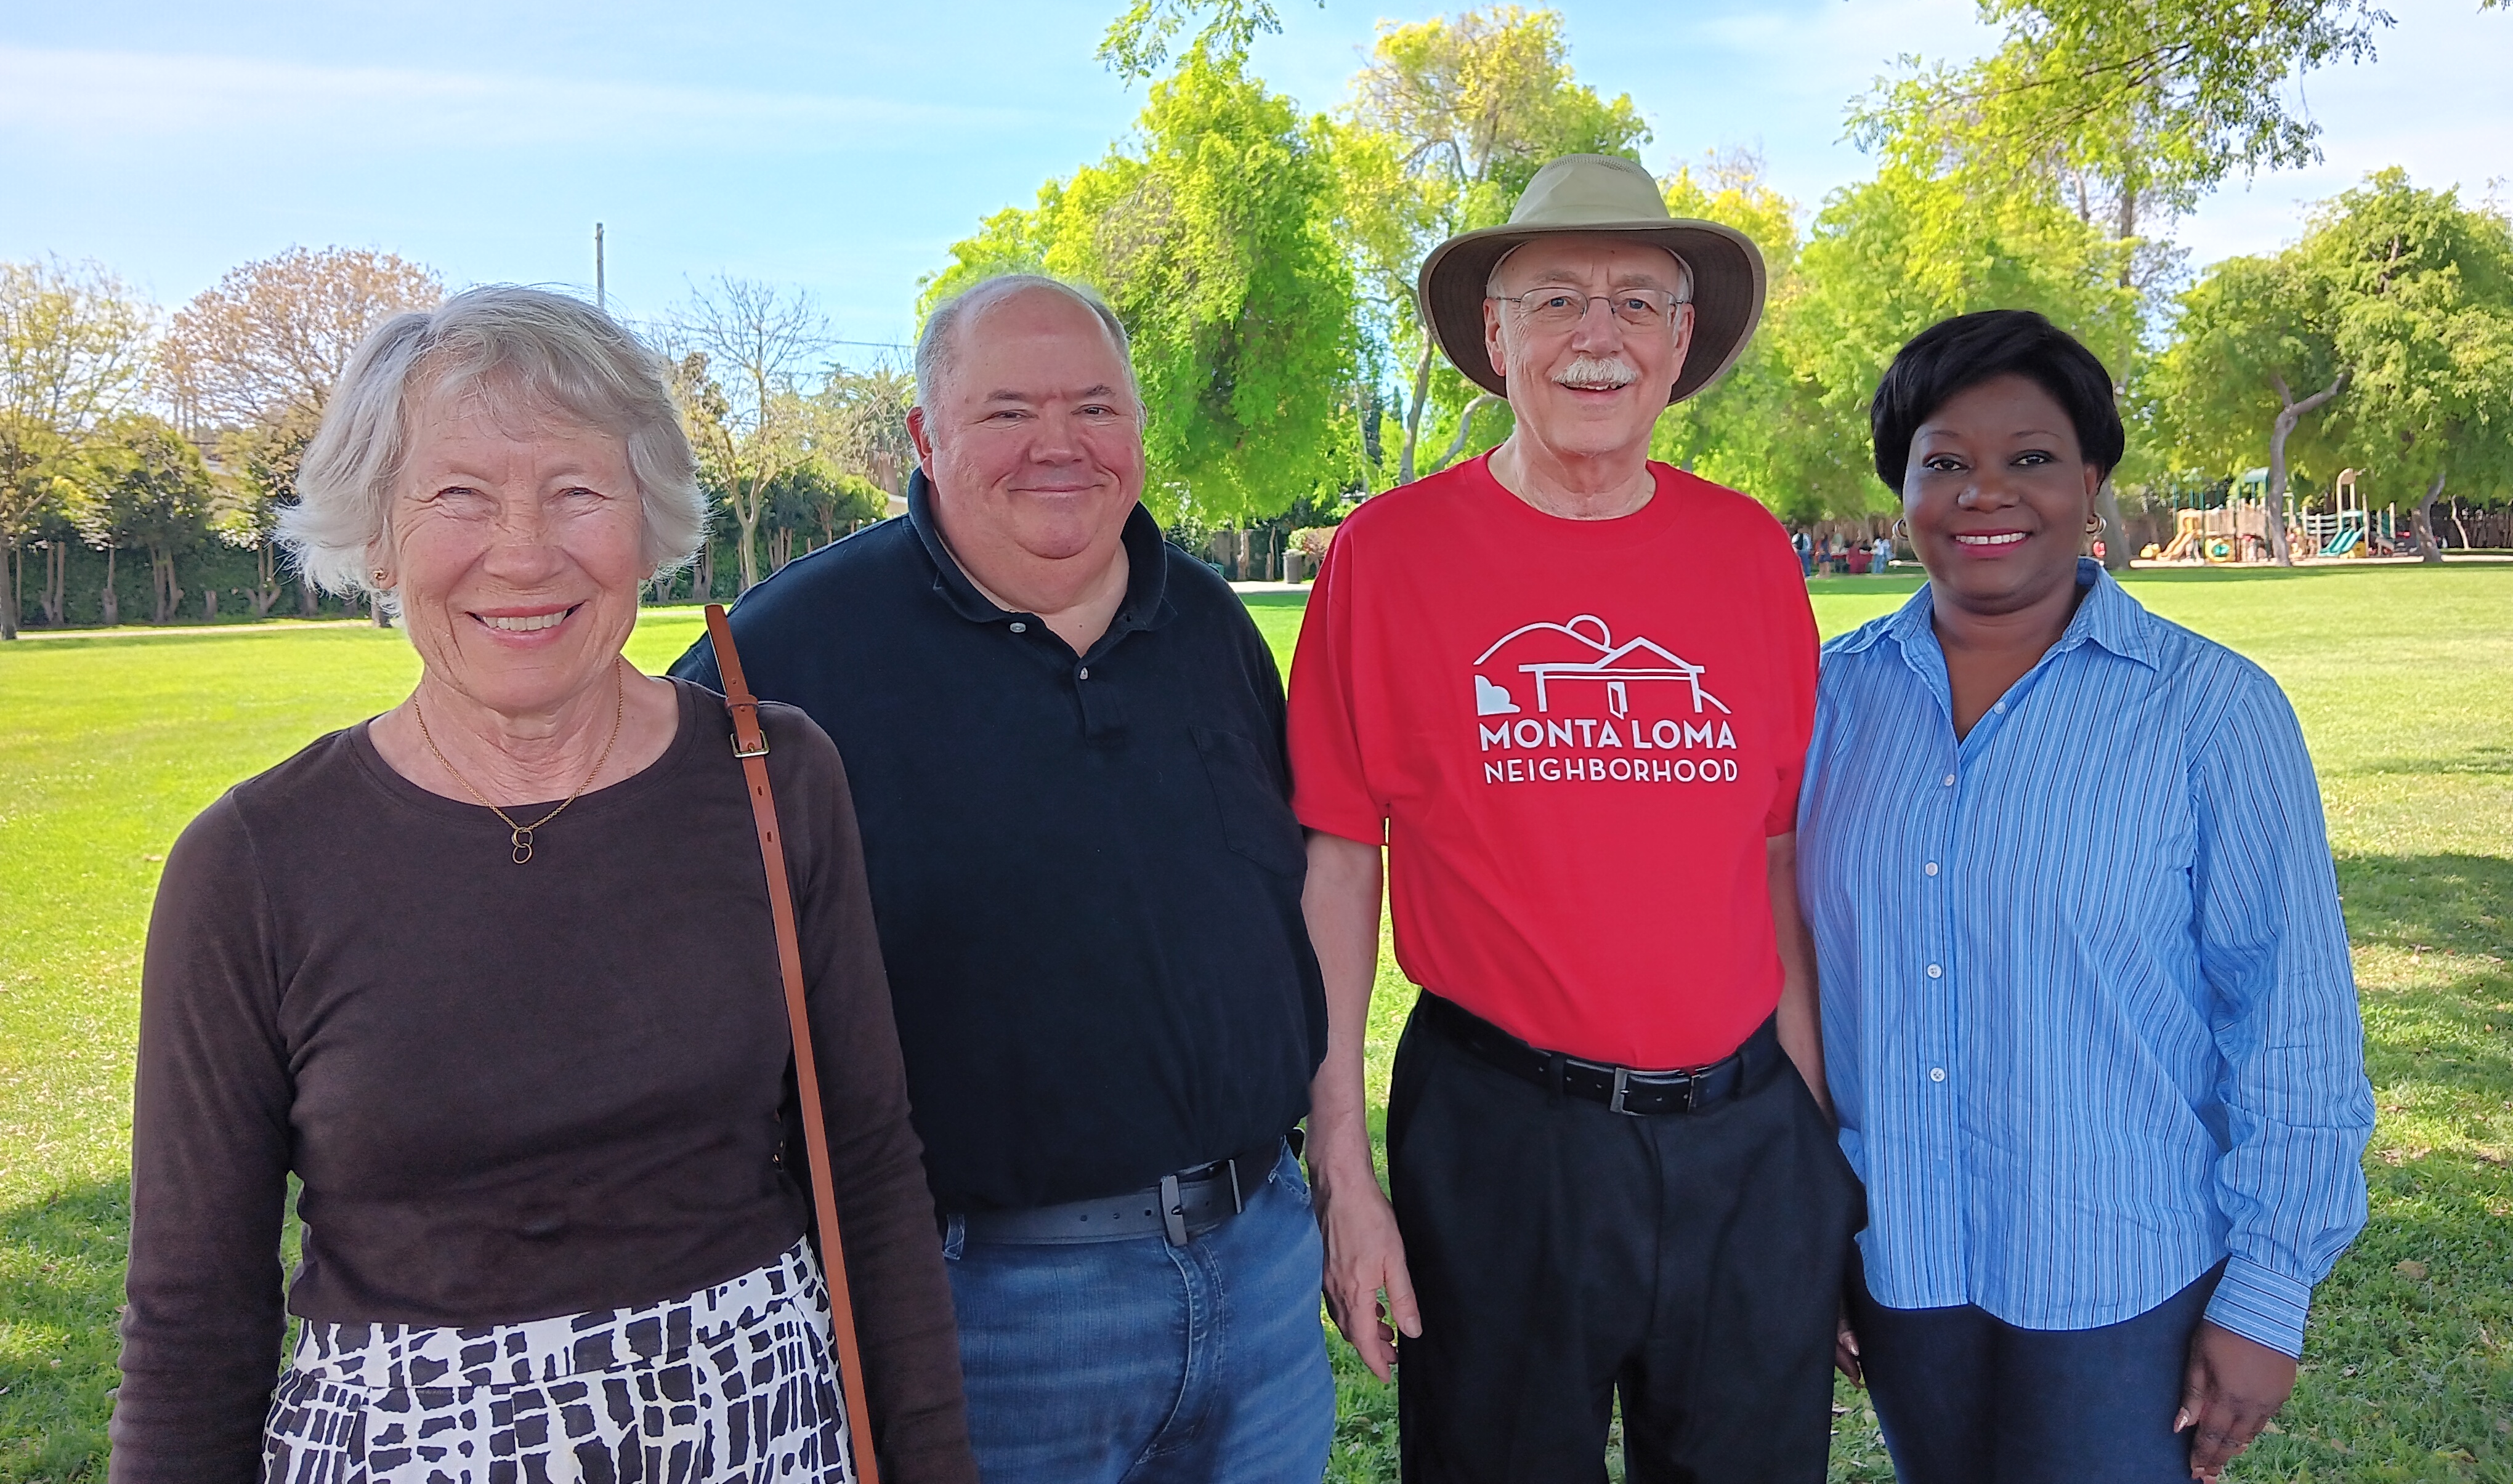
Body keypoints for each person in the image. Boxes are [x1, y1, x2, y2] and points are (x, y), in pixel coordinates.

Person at [113, 288, 974, 1484]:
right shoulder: (252, 865)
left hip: (759, 1437)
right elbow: (192, 1322)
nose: (522, 551)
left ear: (647, 518)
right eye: (458, 495)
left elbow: (870, 1176)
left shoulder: (774, 778)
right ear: (378, 536)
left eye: (577, 490)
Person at [672, 275, 1334, 1483]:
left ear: (1138, 431)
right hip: (978, 1310)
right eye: (1009, 411)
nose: (1060, 446)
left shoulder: (1209, 628)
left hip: (1263, 1270)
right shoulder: (783, 656)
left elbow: (1290, 899)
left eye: (1095, 407)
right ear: (925, 438)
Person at [1289, 152, 1863, 1482]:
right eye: (1553, 301)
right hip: (1502, 1142)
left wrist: (1815, 1161)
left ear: (1681, 344)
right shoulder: (1388, 558)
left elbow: (1778, 870)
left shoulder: (1748, 554)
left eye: (1636, 302)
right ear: (1494, 338)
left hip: (1745, 1140)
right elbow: (1335, 868)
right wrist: (1343, 1168)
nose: (1595, 336)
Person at [1797, 310, 2373, 1484]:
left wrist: (2266, 1295)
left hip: (2122, 1276)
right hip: (1900, 1262)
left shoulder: (2212, 711)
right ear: (1900, 487)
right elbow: (1789, 978)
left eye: (2032, 458)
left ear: (2094, 480)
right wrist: (1808, 1241)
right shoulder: (1824, 706)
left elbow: (2292, 1014)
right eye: (1944, 462)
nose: (1985, 493)